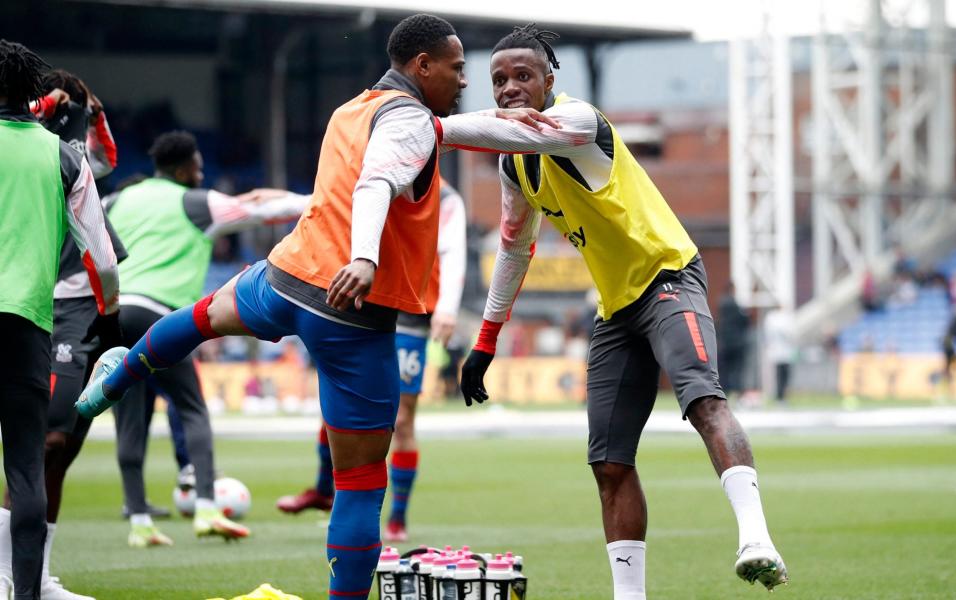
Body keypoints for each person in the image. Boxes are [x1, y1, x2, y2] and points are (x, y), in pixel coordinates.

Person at [75, 13, 584, 598]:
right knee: (362, 484)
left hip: (282, 279)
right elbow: (374, 183)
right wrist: (364, 258)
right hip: (349, 311)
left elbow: (371, 169)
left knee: (201, 318)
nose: (464, 80)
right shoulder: (414, 122)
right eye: (457, 68)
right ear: (423, 66)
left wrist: (502, 119)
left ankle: (122, 371)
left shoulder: (352, 109)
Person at [458, 25, 788, 598]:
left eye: (523, 76)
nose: (510, 88)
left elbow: (528, 138)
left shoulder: (580, 121)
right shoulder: (516, 166)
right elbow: (514, 250)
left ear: (550, 80)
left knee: (704, 402)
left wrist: (431, 129)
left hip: (668, 280)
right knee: (608, 462)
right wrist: (485, 341)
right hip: (616, 310)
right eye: (499, 80)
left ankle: (756, 538)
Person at [102, 129, 308, 548]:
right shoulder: (196, 202)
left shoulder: (117, 199)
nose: (201, 170)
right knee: (192, 408)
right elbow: (266, 210)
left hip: (117, 312)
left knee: (131, 414)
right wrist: (317, 202)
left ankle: (139, 520)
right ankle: (208, 509)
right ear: (183, 168)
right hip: (161, 314)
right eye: (197, 164)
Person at [275, 179, 468, 547]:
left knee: (402, 418)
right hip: (364, 301)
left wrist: (447, 307)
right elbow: (327, 201)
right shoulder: (378, 172)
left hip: (410, 310)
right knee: (336, 402)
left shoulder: (445, 196)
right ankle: (323, 491)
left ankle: (397, 517)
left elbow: (453, 251)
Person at [0, 40, 120, 600]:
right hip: (26, 325)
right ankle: (26, 592)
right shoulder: (64, 156)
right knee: (27, 469)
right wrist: (111, 322)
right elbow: (101, 258)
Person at [717, 282, 751, 399]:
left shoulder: (721, 303)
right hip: (737, 342)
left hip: (725, 342)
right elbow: (745, 321)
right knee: (737, 369)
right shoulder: (736, 305)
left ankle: (724, 392)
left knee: (724, 370)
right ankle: (738, 393)